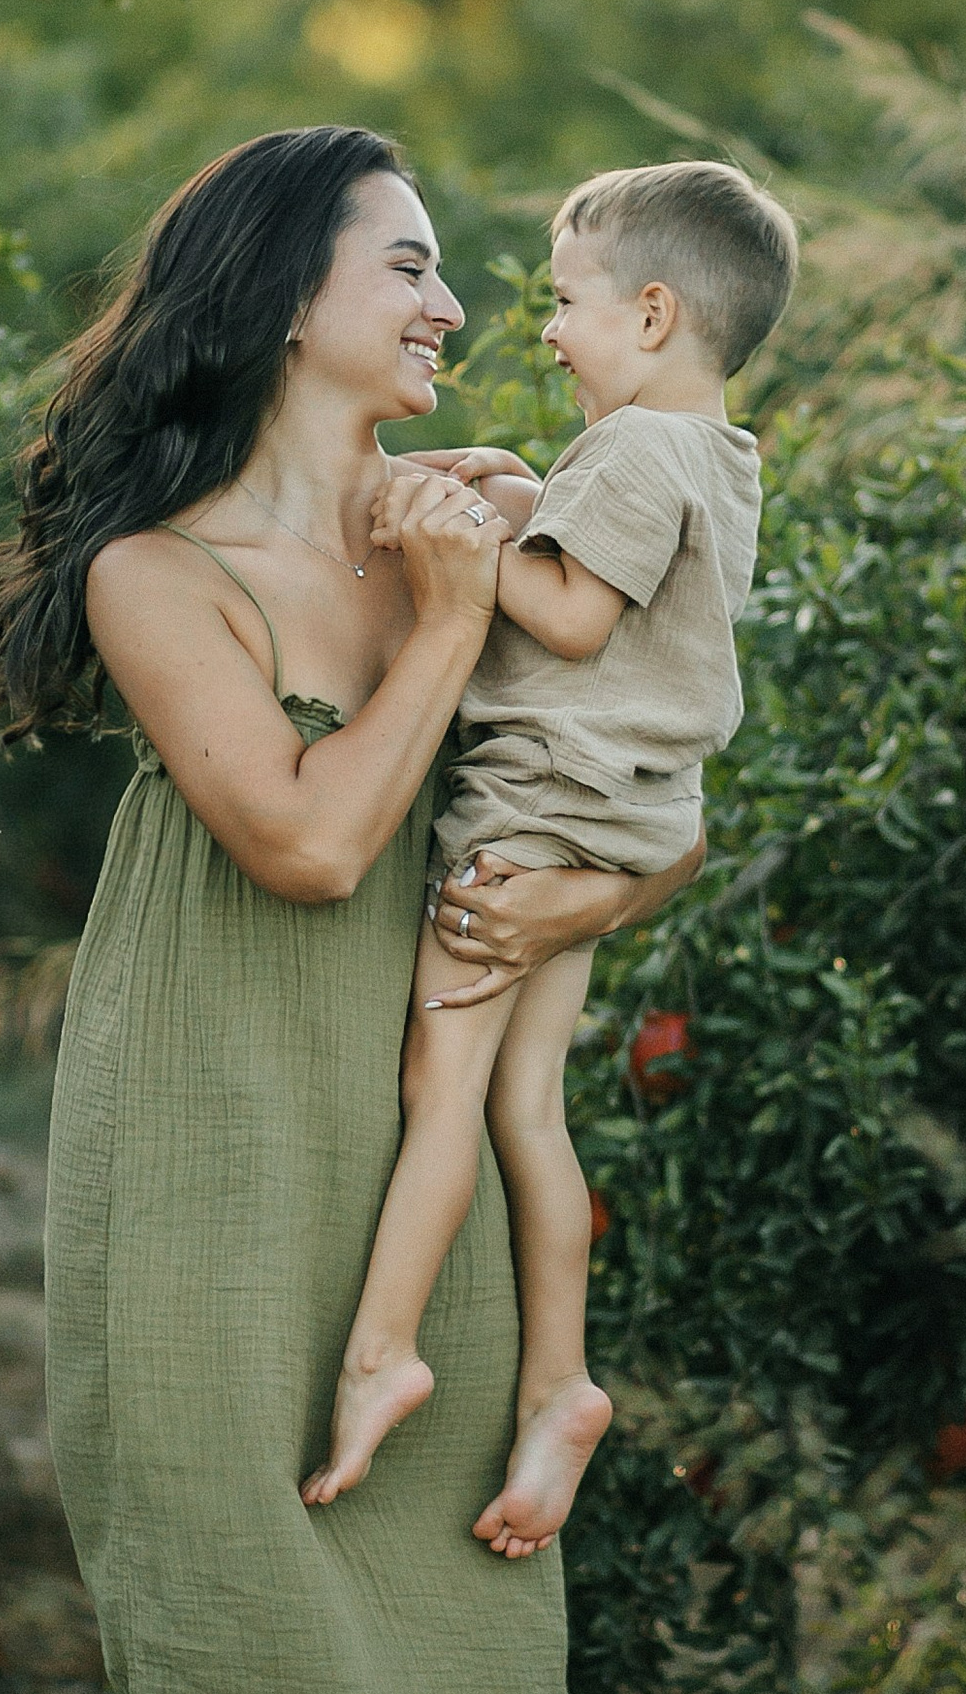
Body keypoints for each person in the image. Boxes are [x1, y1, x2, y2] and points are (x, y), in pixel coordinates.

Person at [0, 126, 703, 1694]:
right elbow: (298, 840)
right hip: (211, 1126)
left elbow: (640, 789)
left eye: (455, 273)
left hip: (411, 1145)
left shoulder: (463, 541)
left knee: (427, 1614)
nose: (452, 307)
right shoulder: (159, 577)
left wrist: (591, 855)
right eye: (409, 265)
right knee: (243, 1615)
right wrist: (445, 621)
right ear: (289, 299)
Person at [302, 161, 797, 1555]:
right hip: (619, 816)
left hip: (533, 819)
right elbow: (626, 598)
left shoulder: (636, 450)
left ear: (652, 314)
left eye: (566, 305)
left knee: (441, 1086)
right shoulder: (710, 453)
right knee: (531, 1107)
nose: (549, 333)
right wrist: (521, 494)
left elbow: (574, 621)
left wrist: (449, 544)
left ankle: (382, 1351)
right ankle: (559, 1385)